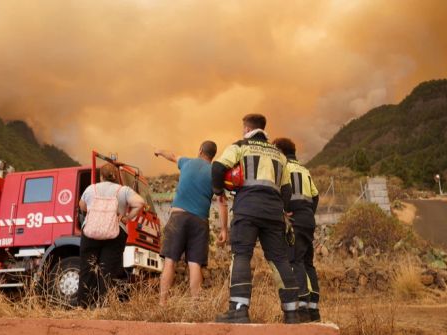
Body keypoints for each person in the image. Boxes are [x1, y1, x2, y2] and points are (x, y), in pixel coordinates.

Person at [211, 114, 300, 324]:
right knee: (279, 259)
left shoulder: (240, 146)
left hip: (247, 209)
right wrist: (283, 210)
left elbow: (217, 167)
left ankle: (239, 310)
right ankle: (292, 313)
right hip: (273, 213)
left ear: (246, 128)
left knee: (241, 255)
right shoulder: (279, 155)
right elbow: (287, 189)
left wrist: (218, 190)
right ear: (263, 129)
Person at [154, 141, 228, 306]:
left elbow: (172, 155)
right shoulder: (214, 172)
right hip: (200, 222)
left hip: (178, 217)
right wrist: (224, 229)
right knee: (195, 264)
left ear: (200, 149)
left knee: (170, 261)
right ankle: (195, 306)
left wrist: (159, 150)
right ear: (213, 155)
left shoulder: (186, 162)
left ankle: (162, 304)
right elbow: (222, 202)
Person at [77, 163, 145, 308]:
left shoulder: (91, 189)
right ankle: (104, 308)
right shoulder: (123, 190)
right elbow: (140, 202)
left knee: (87, 270)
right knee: (107, 271)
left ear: (101, 176)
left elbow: (82, 205)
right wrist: (127, 217)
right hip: (115, 233)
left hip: (91, 233)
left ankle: (83, 307)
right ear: (115, 176)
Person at [273, 137, 321, 322]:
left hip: (294, 219)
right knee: (308, 263)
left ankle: (302, 308)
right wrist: (307, 212)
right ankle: (314, 309)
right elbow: (315, 196)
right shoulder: (305, 170)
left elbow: (280, 192)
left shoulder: (283, 167)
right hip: (308, 219)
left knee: (295, 261)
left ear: (280, 151)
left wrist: (284, 212)